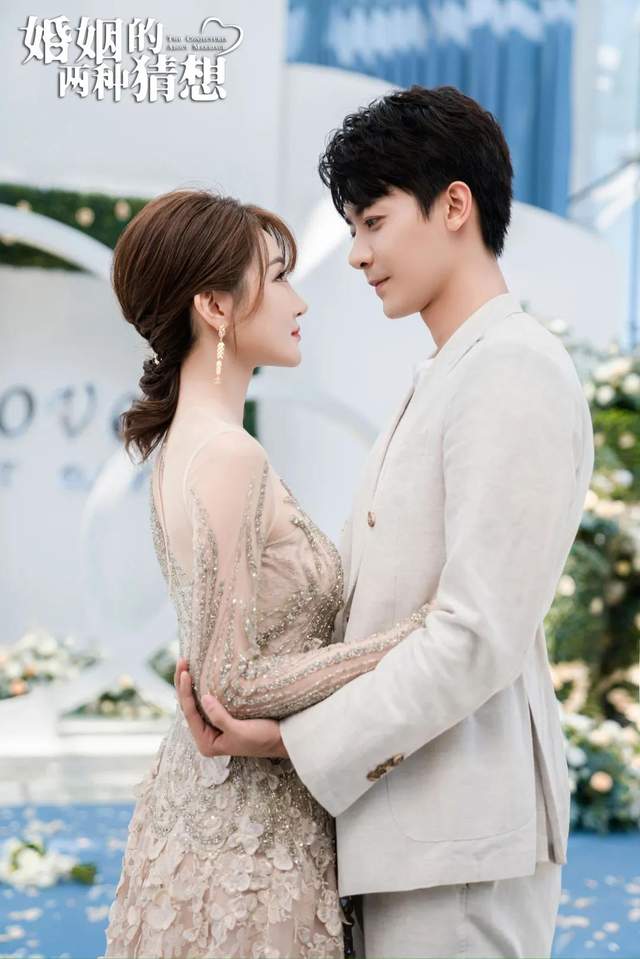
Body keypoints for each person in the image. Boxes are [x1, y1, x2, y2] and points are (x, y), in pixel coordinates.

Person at [176, 85, 596, 958]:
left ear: (455, 206)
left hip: (461, 839)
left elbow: (476, 635)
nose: (359, 254)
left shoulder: (512, 370)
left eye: (373, 221)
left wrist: (291, 740)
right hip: (411, 828)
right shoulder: (447, 371)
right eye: (352, 227)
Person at [101, 187, 433, 959]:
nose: (299, 301)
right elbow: (232, 682)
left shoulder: (188, 445)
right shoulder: (228, 454)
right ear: (216, 307)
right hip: (248, 844)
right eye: (278, 277)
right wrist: (406, 641)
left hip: (215, 815)